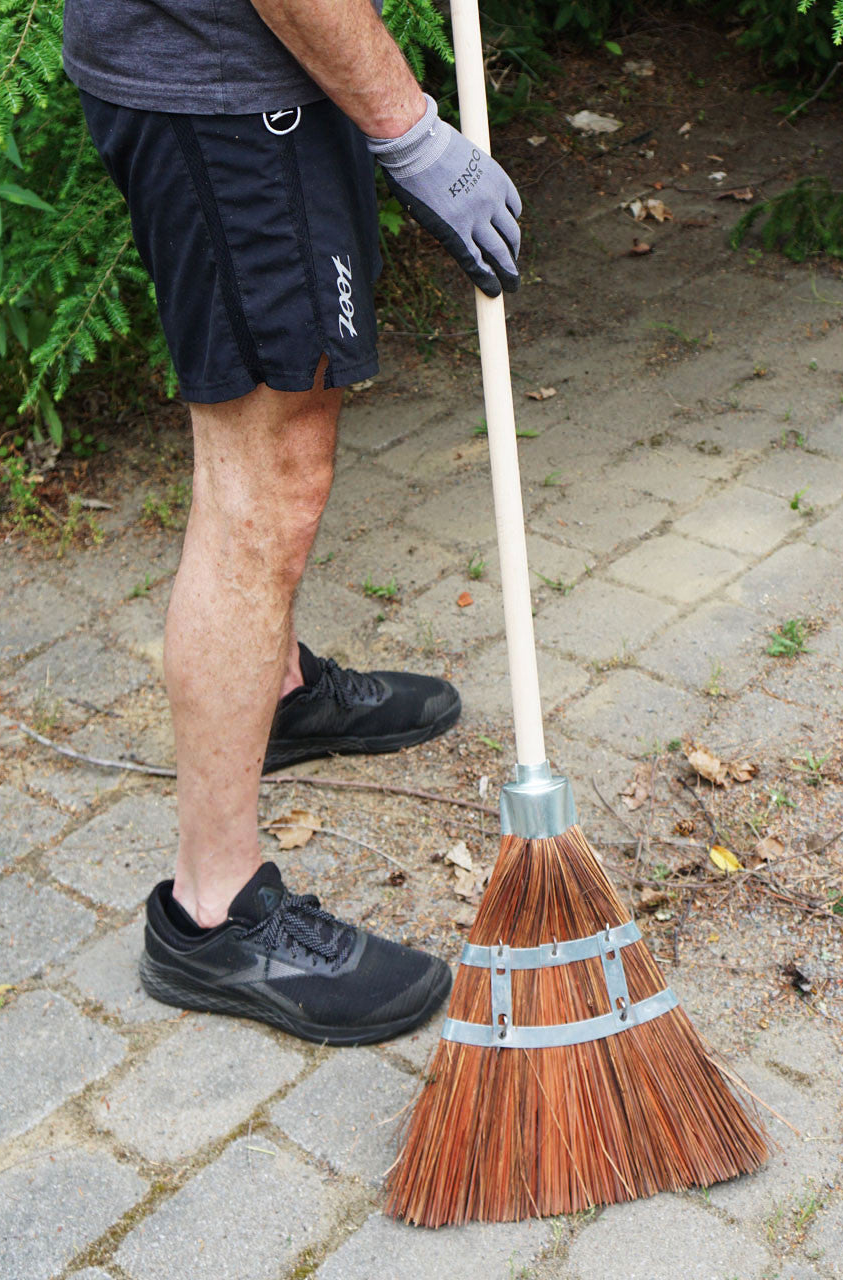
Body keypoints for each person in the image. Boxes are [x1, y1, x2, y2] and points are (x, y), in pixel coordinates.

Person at [62, 0, 522, 1044]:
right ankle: (210, 909)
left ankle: (274, 694)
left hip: (236, 69)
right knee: (260, 478)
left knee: (280, 433)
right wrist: (409, 130)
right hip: (223, 83)